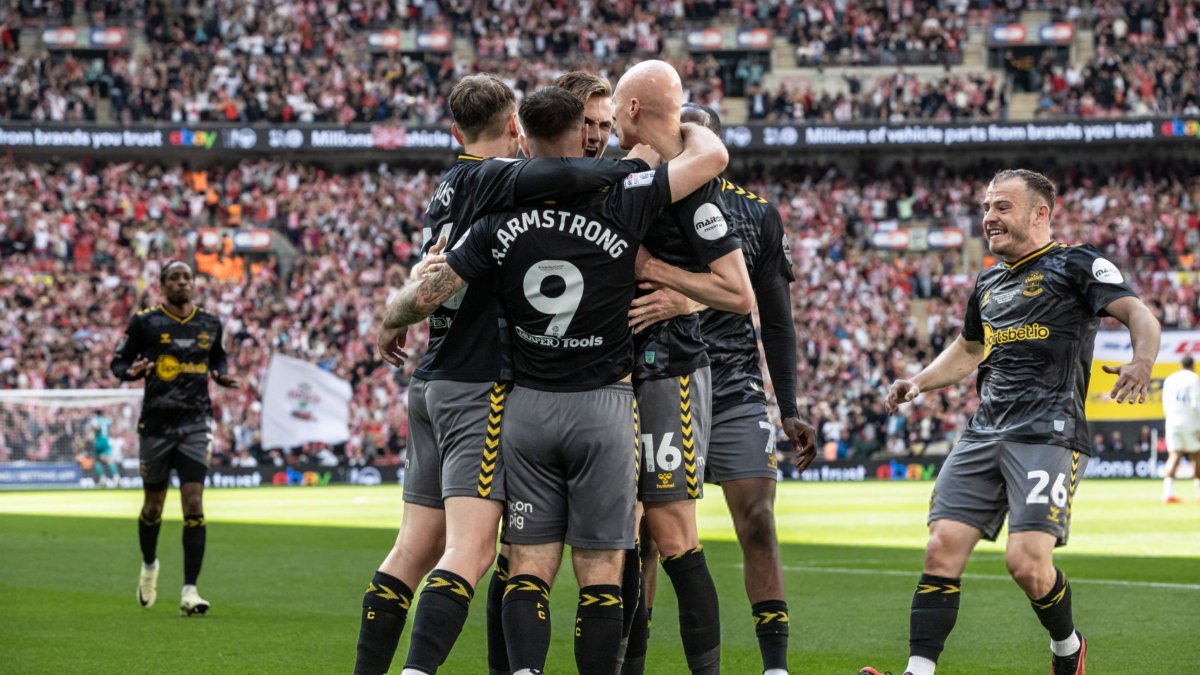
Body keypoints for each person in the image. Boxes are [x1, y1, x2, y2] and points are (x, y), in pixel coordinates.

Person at [376, 85, 730, 675]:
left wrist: (392, 316)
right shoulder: (625, 194)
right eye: (592, 126)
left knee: (525, 565)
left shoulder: (497, 215)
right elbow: (709, 157)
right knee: (601, 573)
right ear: (577, 134)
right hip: (604, 406)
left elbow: (433, 289)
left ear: (524, 134)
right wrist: (666, 132)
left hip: (525, 408)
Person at [860, 169, 1160, 675]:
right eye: (986, 208)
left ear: (1040, 213)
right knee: (940, 549)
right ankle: (917, 671)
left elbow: (1139, 315)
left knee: (1025, 563)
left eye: (1002, 206)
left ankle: (1068, 647)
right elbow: (969, 349)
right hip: (984, 432)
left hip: (1049, 432)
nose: (989, 217)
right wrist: (919, 382)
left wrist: (1143, 361)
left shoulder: (1076, 263)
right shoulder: (988, 282)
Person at [628, 103, 818, 675]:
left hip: (734, 383)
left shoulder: (756, 213)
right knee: (648, 533)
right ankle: (632, 658)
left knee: (758, 519)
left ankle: (775, 666)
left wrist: (789, 406)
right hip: (660, 379)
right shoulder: (639, 196)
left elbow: (776, 320)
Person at [614, 60, 755, 675]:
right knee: (621, 534)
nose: (609, 123)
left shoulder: (697, 194)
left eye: (614, 109)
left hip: (669, 368)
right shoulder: (633, 171)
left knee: (672, 534)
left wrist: (660, 274)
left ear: (634, 109)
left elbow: (739, 294)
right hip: (612, 373)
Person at [110, 260, 240, 616]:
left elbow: (219, 359)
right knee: (153, 506)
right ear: (162, 285)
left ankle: (190, 591)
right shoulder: (145, 322)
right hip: (156, 425)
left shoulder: (209, 323)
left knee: (193, 503)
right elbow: (118, 363)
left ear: (194, 284)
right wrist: (132, 371)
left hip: (196, 424)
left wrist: (221, 374)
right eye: (174, 278)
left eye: (187, 277)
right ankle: (149, 564)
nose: (182, 282)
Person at [1161, 355, 1200, 503]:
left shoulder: (1170, 379)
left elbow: (1165, 402)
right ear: (1193, 365)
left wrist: (1169, 419)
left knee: (1174, 455)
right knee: (1197, 455)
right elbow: (1196, 403)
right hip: (1190, 420)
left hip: (1172, 421)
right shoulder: (1194, 379)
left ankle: (1168, 494)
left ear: (1181, 365)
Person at [89, 409, 120, 487]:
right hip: (106, 441)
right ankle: (116, 477)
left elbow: (96, 428)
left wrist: (92, 431)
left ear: (96, 414)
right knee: (109, 460)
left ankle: (103, 478)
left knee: (96, 461)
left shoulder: (95, 420)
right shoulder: (107, 420)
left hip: (99, 441)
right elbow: (111, 430)